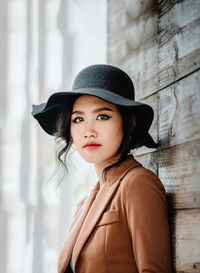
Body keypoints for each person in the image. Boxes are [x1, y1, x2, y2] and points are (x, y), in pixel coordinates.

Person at [32, 64, 172, 273]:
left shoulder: (137, 183)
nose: (88, 131)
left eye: (102, 116)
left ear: (130, 122)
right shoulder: (85, 204)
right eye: (78, 119)